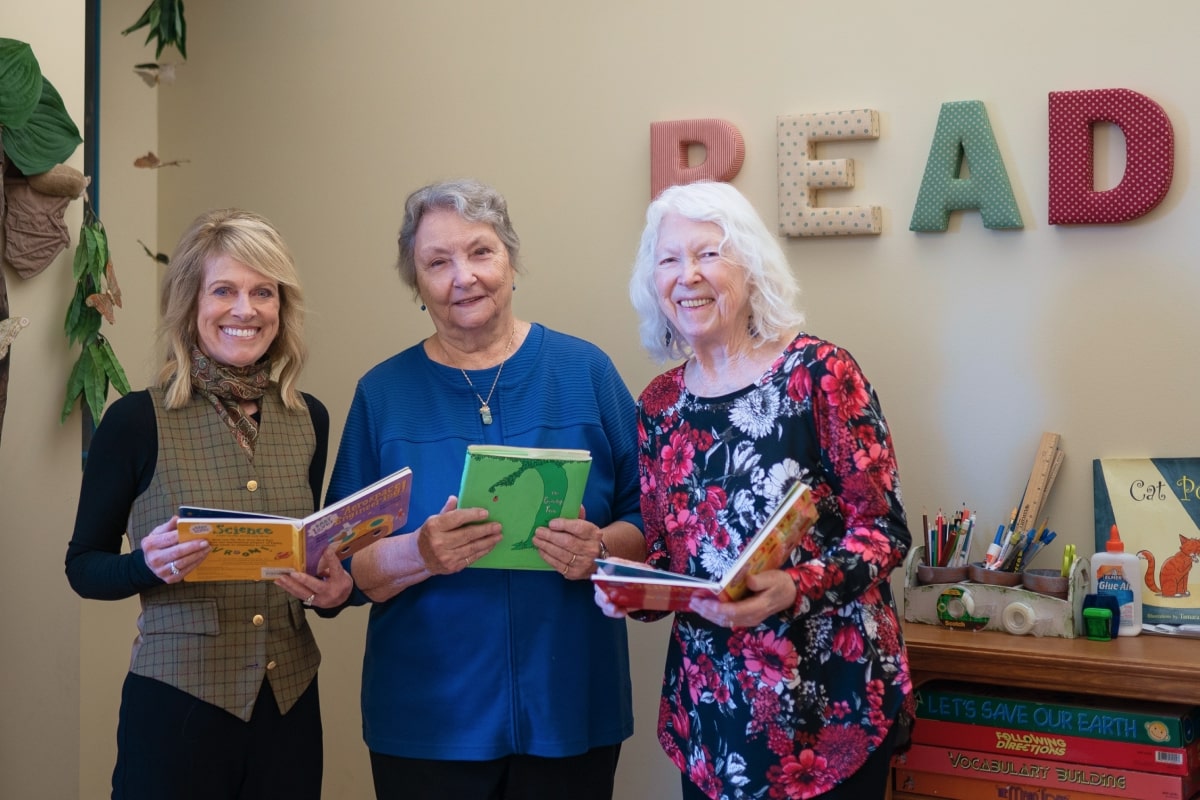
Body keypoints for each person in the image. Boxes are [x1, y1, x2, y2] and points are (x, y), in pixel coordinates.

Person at [323, 178, 643, 799]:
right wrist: (418, 553)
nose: (462, 276)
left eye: (480, 252)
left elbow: (650, 519)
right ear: (416, 285)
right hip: (427, 719)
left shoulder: (586, 372)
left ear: (512, 260)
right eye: (436, 263)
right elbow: (339, 565)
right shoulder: (382, 395)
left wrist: (600, 548)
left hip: (570, 707)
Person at [596, 180, 914, 800]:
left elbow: (885, 529)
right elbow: (670, 557)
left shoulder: (819, 374)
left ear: (750, 266)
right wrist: (634, 588)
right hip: (713, 715)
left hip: (828, 706)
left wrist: (795, 585)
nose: (687, 275)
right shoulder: (659, 406)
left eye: (709, 253)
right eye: (668, 260)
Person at [64, 208, 352, 799]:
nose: (245, 310)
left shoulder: (311, 419)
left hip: (290, 710)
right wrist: (145, 564)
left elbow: (313, 556)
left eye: (263, 292)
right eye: (224, 290)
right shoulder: (135, 422)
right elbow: (83, 565)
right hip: (177, 711)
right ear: (190, 303)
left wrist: (333, 592)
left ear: (282, 306)